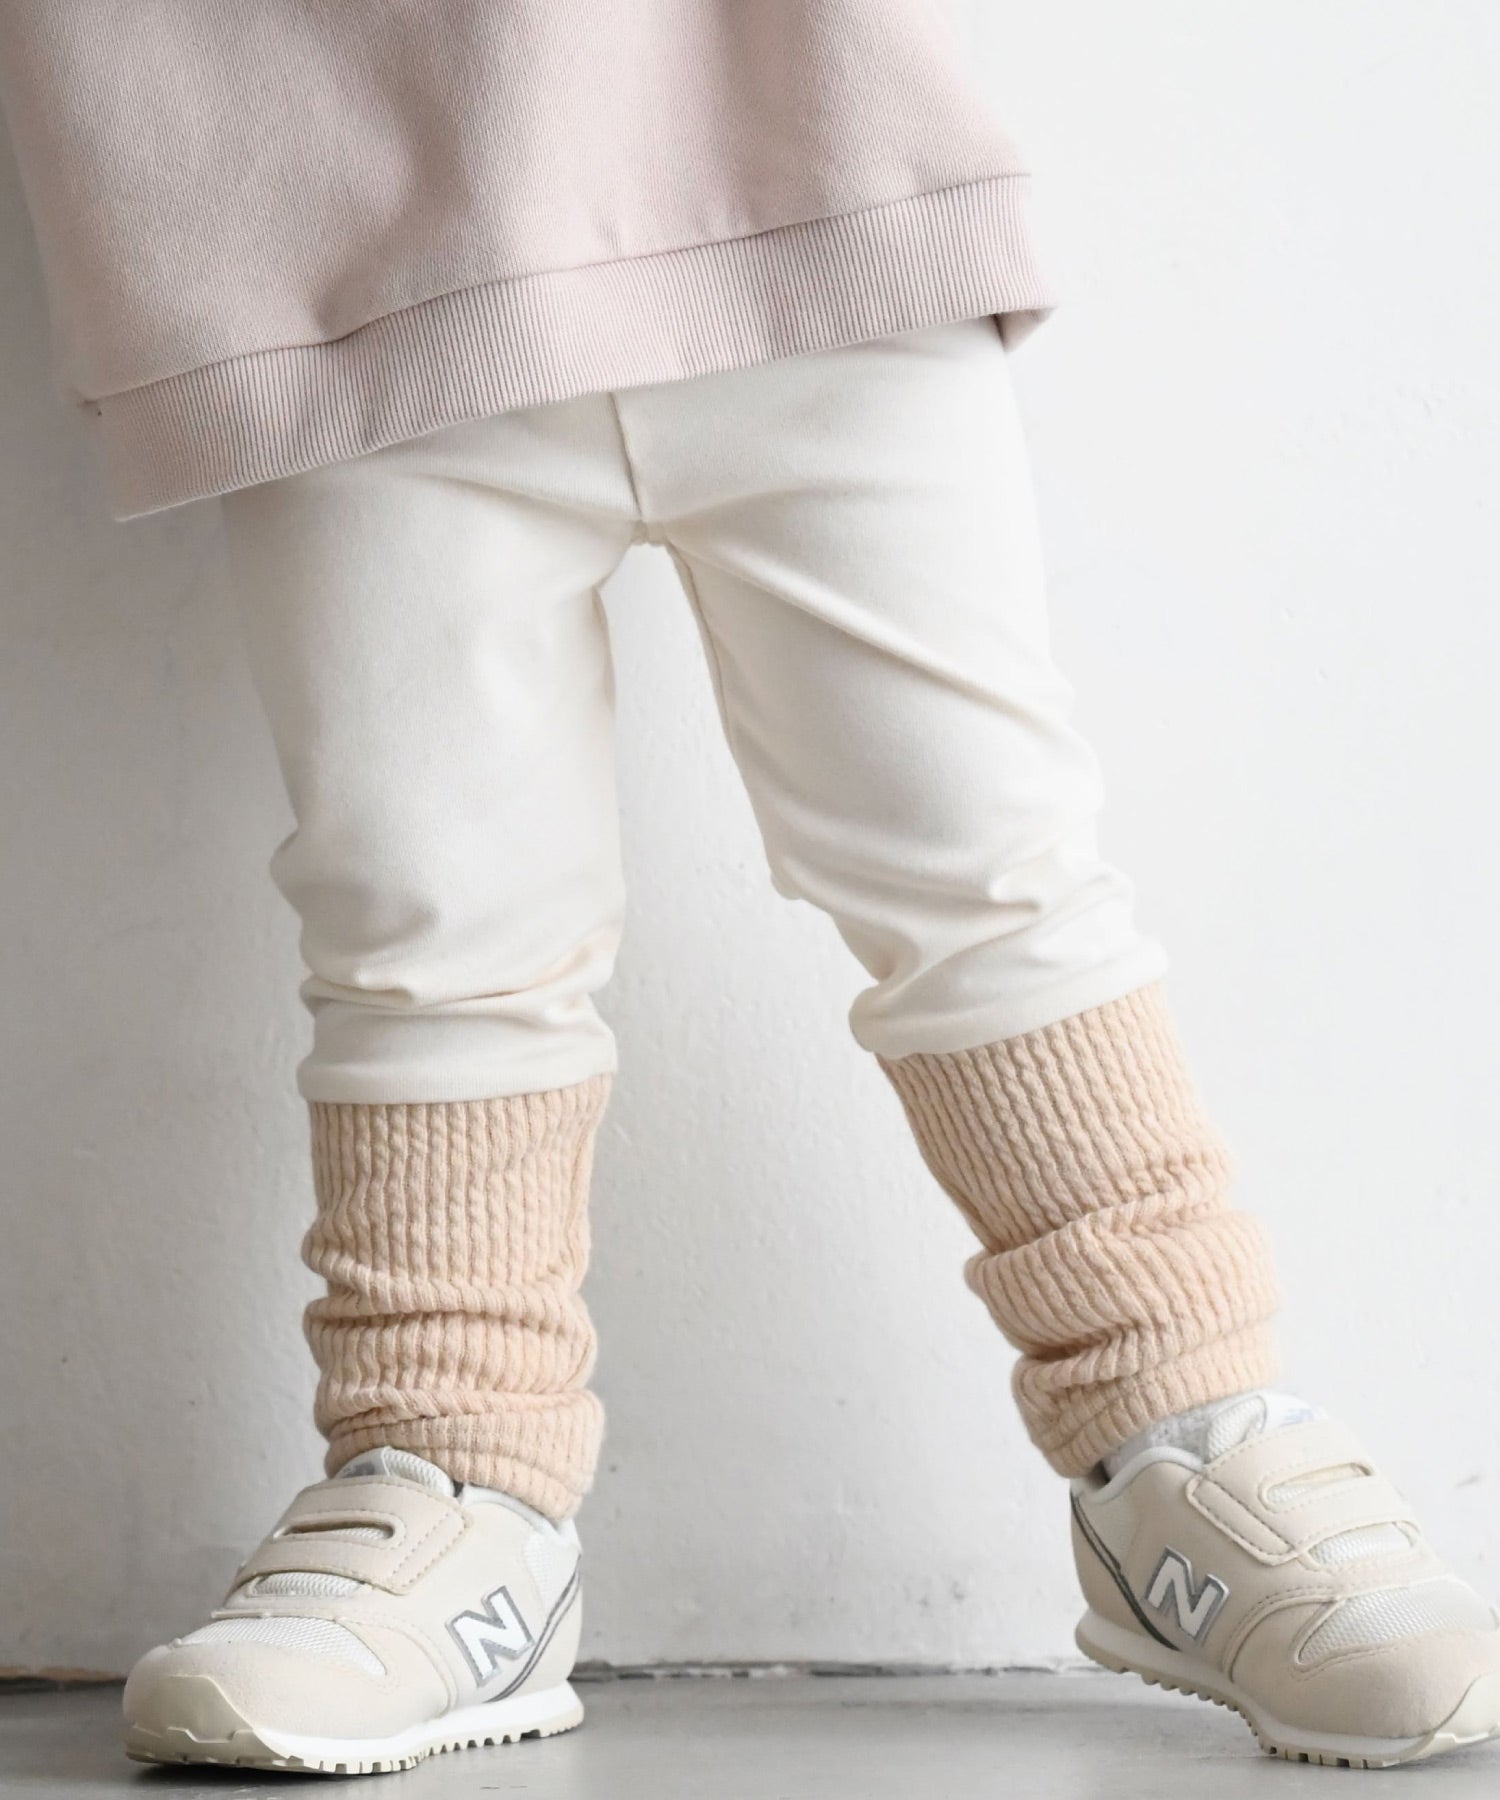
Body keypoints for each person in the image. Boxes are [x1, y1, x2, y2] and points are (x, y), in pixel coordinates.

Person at [3, 0, 1497, 1777]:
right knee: (430, 920)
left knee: (985, 862)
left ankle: (1185, 1426)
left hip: (780, 150)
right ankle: (452, 1482)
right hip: (309, 222)